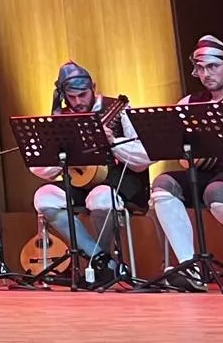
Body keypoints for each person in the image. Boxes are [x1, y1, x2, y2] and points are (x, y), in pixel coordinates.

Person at [27, 62, 149, 284]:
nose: (77, 102)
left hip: (120, 182)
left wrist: (114, 142)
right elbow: (40, 169)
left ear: (93, 87)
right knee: (43, 196)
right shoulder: (61, 117)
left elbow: (144, 157)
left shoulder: (119, 110)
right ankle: (103, 260)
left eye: (82, 95)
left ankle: (99, 265)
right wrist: (60, 152)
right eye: (71, 97)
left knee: (100, 196)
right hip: (79, 185)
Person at [149, 35, 223, 290]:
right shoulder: (189, 104)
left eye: (213, 66)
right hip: (207, 173)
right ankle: (189, 266)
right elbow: (181, 150)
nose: (206, 74)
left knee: (216, 193)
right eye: (200, 68)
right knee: (163, 183)